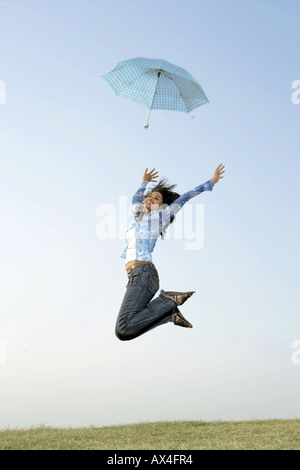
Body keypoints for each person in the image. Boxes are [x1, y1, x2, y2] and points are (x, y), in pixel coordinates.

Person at [115, 165, 225, 341]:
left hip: (144, 274)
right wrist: (144, 183)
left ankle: (168, 301)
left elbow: (184, 198)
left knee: (124, 328)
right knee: (125, 330)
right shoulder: (138, 219)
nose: (150, 198)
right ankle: (168, 314)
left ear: (163, 205)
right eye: (149, 196)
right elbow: (136, 199)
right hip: (135, 276)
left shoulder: (160, 217)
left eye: (156, 198)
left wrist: (210, 182)